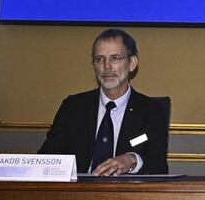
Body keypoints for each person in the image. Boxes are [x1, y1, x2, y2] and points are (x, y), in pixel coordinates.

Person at [39, 28, 169, 175]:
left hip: (127, 195)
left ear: (132, 63)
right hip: (77, 194)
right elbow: (46, 158)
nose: (107, 66)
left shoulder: (152, 112)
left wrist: (132, 160)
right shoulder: (73, 108)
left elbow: (158, 166)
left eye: (115, 58)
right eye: (100, 59)